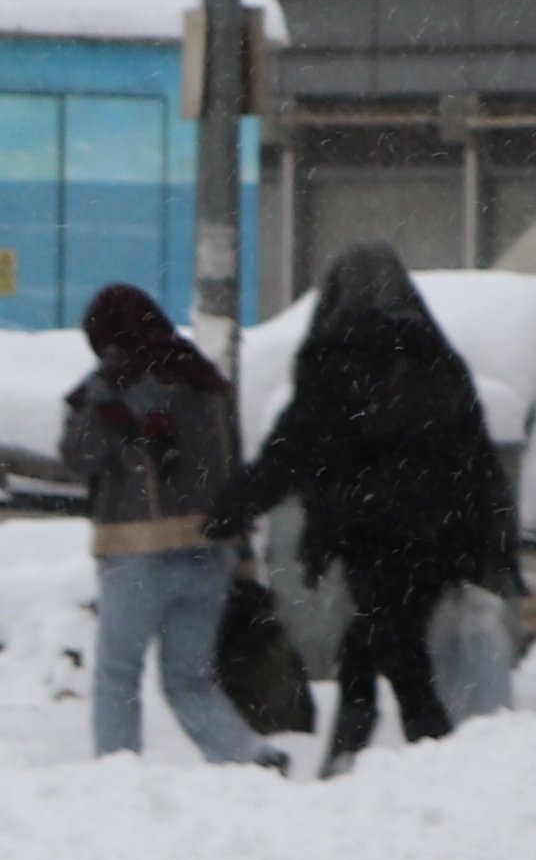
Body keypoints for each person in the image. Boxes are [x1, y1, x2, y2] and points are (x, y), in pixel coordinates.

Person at [217, 242, 517, 775]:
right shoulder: (437, 362)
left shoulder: (333, 363)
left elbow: (290, 449)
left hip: (366, 536)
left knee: (393, 649)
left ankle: (419, 752)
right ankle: (365, 752)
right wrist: (493, 541)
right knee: (377, 639)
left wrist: (237, 505)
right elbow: (478, 461)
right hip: (435, 538)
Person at [59, 283, 278, 768]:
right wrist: (243, 556)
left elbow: (80, 458)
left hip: (138, 548)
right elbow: (231, 470)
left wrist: (97, 407)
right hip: (211, 549)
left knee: (118, 673)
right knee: (189, 676)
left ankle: (116, 772)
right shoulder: (207, 381)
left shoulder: (111, 384)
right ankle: (247, 756)